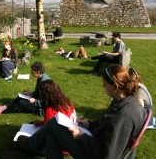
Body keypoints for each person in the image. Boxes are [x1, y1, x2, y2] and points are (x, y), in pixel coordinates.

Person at [17, 64, 147, 159]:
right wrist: (89, 124)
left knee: (52, 123)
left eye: (104, 84)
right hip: (95, 139)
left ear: (115, 86)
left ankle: (31, 145)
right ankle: (32, 146)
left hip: (95, 153)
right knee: (52, 138)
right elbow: (106, 122)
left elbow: (108, 155)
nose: (103, 86)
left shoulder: (124, 116)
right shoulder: (124, 99)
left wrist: (81, 136)